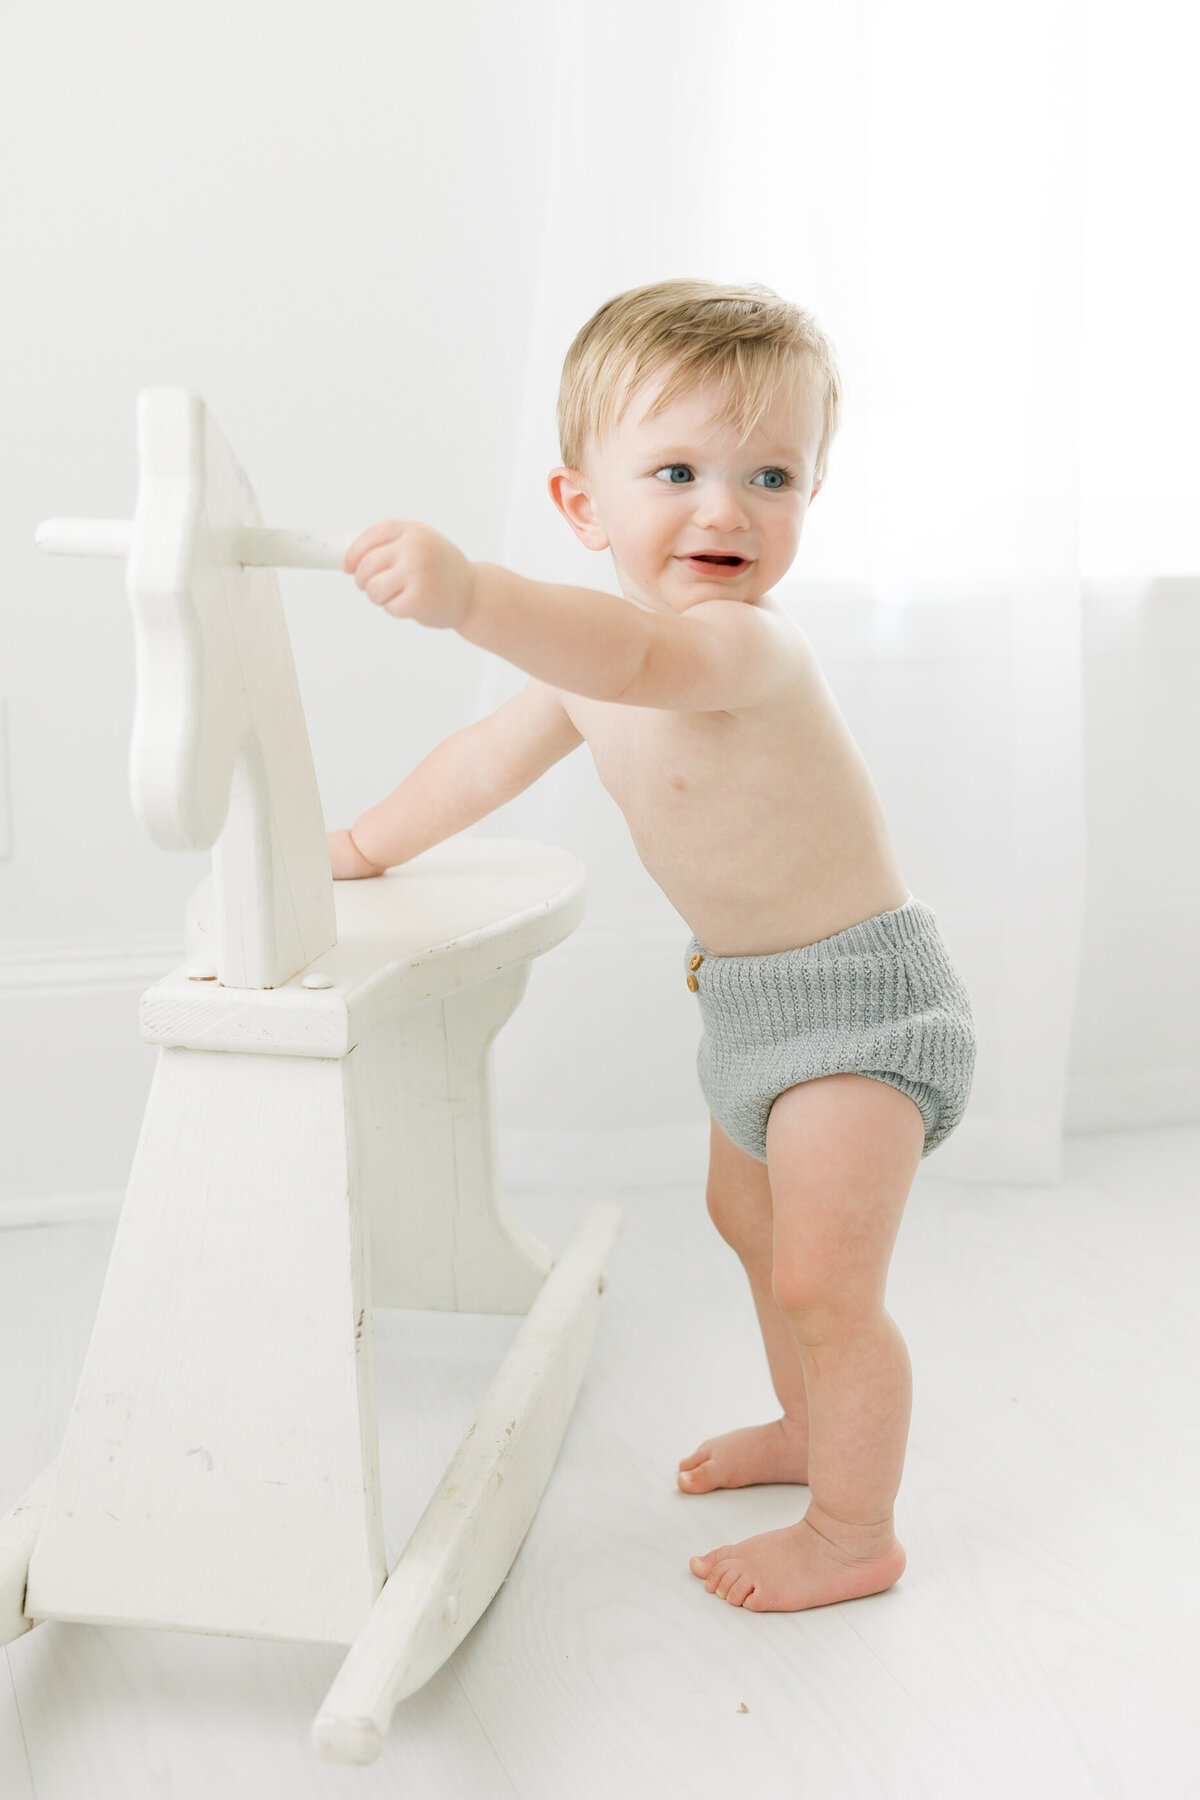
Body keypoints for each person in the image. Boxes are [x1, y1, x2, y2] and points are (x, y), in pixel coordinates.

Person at [328, 277, 977, 1612]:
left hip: (860, 1011)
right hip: (745, 1006)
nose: (727, 508)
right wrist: (363, 846)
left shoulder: (739, 652)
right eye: (676, 469)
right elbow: (480, 761)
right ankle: (808, 1432)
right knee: (746, 1226)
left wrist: (468, 592)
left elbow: (635, 661)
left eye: (773, 475)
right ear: (585, 505)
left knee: (826, 1282)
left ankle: (856, 1531)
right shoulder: (588, 662)